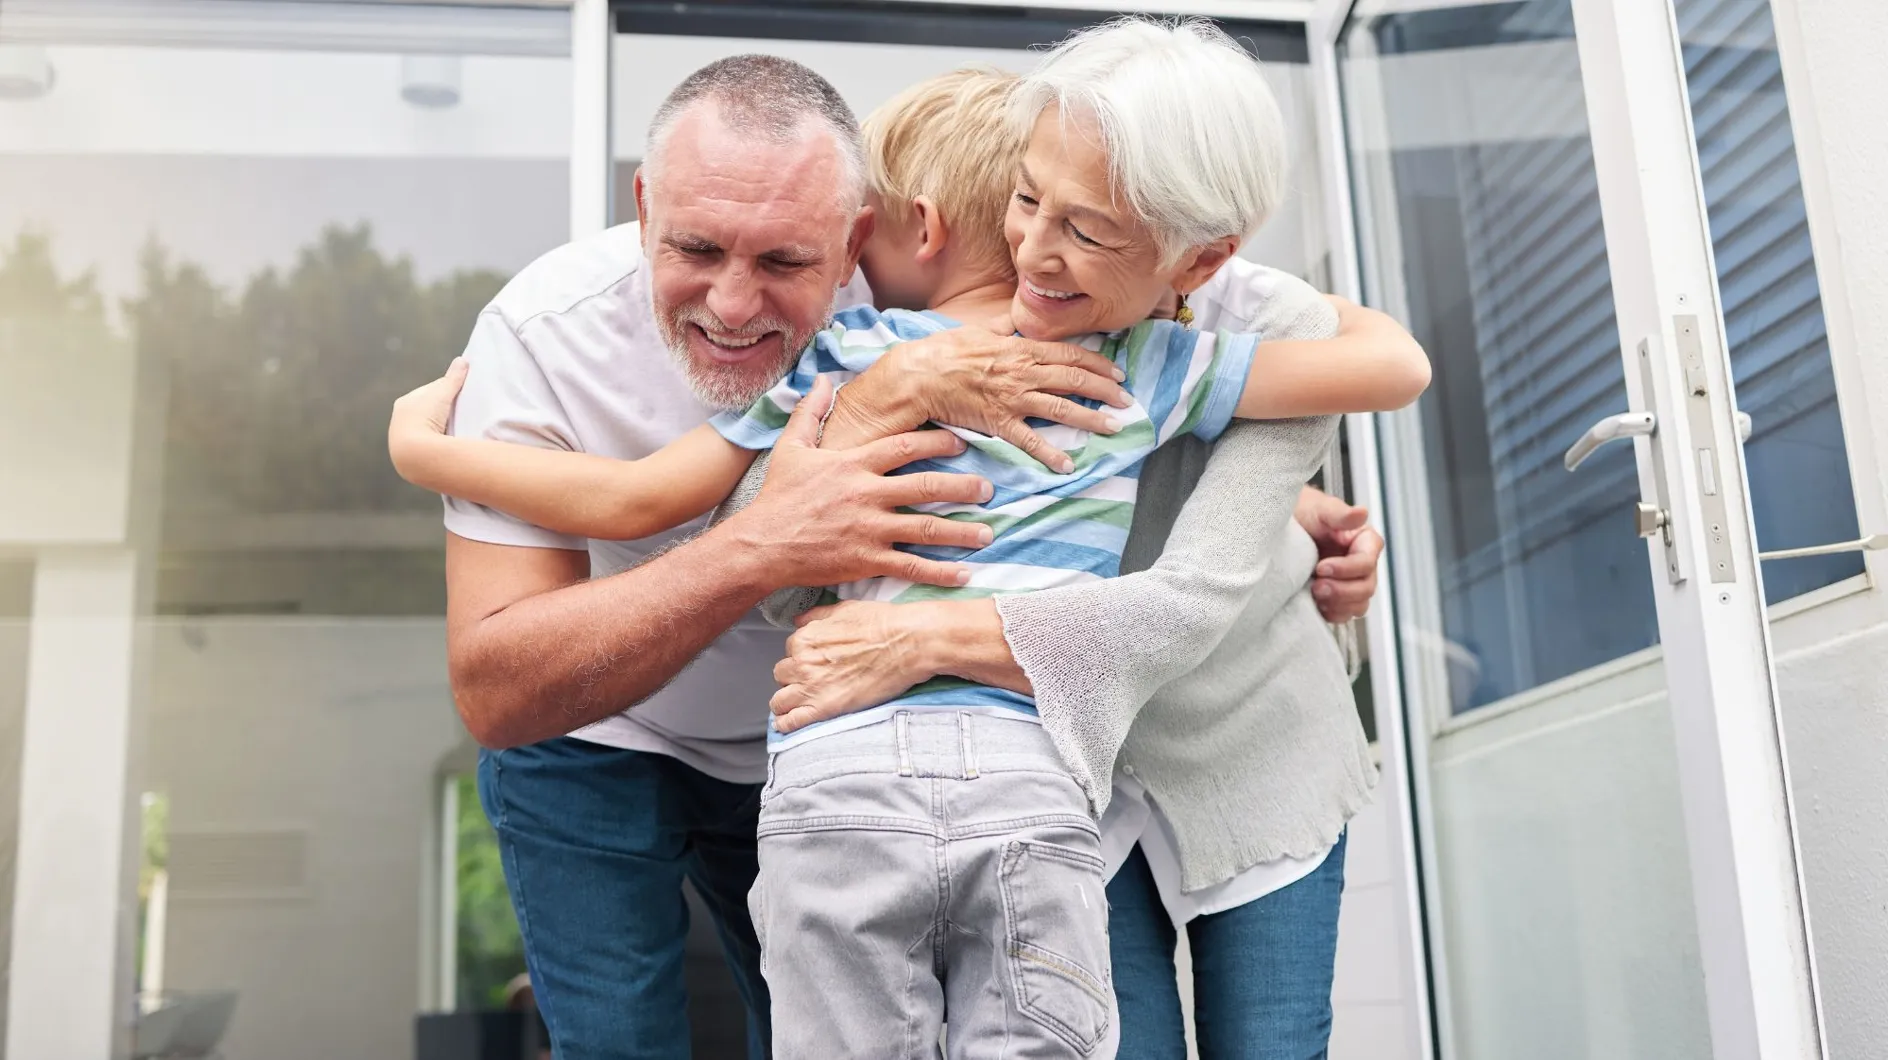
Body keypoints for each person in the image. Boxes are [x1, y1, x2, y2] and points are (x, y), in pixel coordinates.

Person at [395, 36, 1422, 1059]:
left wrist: (421, 449)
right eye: (698, 250)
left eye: (797, 258)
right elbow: (527, 654)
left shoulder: (890, 320)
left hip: (869, 745)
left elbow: (1161, 452)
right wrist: (833, 461)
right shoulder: (572, 331)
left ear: (873, 233)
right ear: (643, 211)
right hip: (746, 742)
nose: (739, 301)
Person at [748, 22, 1401, 1059]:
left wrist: (923, 642)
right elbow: (780, 564)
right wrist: (887, 397)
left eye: (1087, 230)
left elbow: (1185, 604)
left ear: (1203, 252)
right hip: (1051, 765)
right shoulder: (941, 338)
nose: (1031, 251)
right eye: (1023, 197)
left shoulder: (1263, 330)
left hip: (1233, 735)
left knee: (1269, 1042)